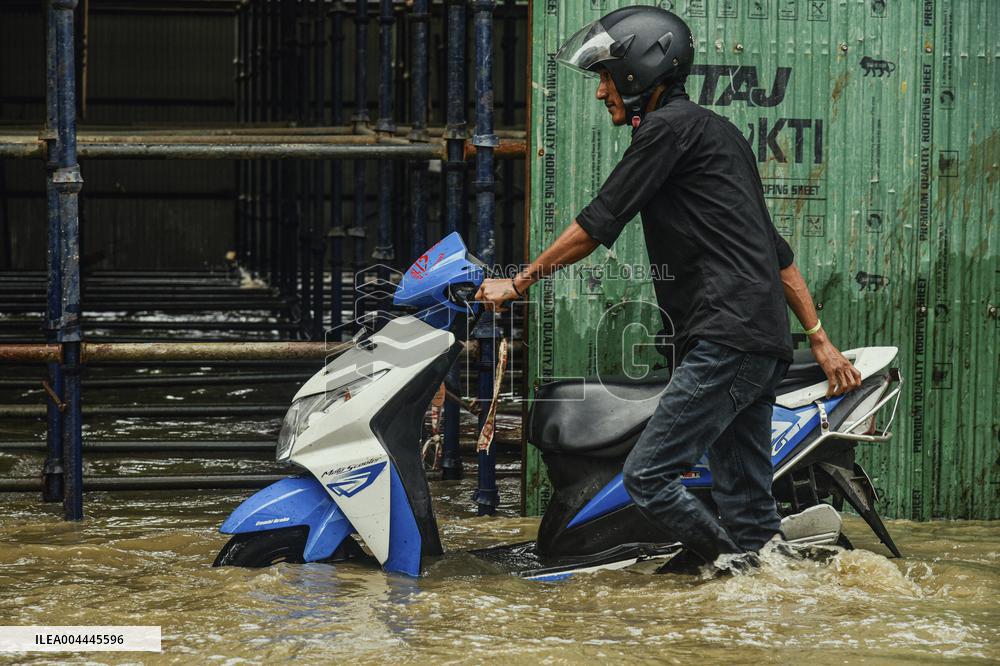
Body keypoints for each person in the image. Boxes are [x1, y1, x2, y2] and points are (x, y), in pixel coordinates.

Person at [475, 6, 861, 569]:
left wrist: (518, 281)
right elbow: (777, 255)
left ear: (639, 74)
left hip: (726, 339)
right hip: (758, 344)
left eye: (608, 76)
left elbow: (595, 224)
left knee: (648, 476)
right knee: (749, 506)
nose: (602, 90)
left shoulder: (665, 130)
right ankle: (774, 600)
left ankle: (738, 571)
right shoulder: (719, 133)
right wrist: (817, 337)